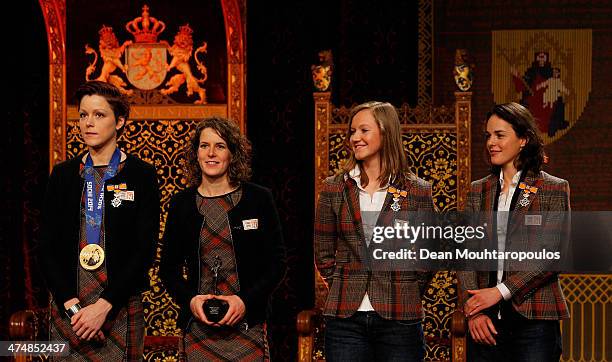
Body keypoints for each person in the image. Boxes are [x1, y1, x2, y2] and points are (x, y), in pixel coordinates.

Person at [39, 80, 160, 360]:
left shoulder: (141, 175)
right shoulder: (63, 175)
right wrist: (73, 308)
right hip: (70, 312)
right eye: (83, 115)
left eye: (99, 115)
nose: (88, 123)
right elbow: (47, 249)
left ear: (119, 121)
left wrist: (104, 306)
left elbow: (144, 251)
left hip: (119, 309)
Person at [314, 101, 435, 361]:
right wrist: (342, 284)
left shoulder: (417, 190)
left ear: (386, 132)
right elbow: (323, 250)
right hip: (345, 319)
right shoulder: (334, 188)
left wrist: (406, 286)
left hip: (400, 318)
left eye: (363, 130)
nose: (355, 138)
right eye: (352, 131)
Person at [159, 117, 286, 361]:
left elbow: (276, 264)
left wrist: (244, 301)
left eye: (220, 146)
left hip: (247, 327)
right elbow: (168, 270)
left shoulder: (258, 199)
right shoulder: (181, 204)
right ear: (195, 154)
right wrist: (191, 300)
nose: (211, 153)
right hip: (198, 329)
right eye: (204, 146)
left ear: (232, 154)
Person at [458, 102, 570, 361]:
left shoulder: (552, 188)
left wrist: (500, 291)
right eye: (488, 136)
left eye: (500, 135)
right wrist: (474, 311)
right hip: (485, 325)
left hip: (535, 323)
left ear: (523, 139)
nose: (491, 143)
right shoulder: (478, 190)